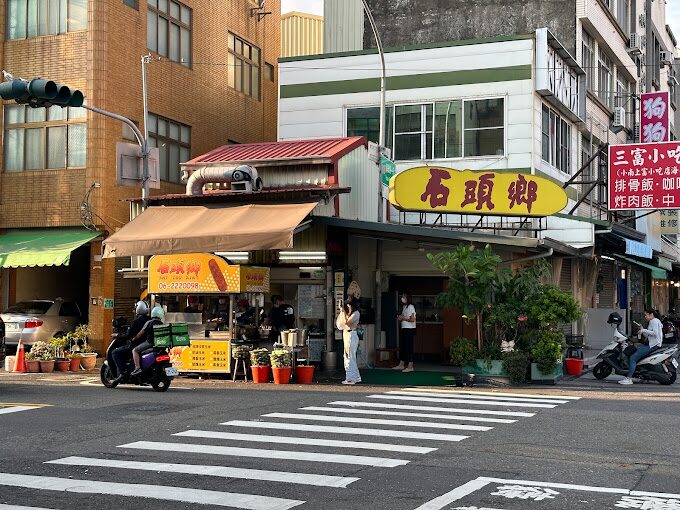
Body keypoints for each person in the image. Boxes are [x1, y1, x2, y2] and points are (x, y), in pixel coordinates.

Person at [619, 308, 663, 385]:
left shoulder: (654, 321)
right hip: (653, 343)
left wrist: (644, 330)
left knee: (633, 358)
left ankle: (629, 379)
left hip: (653, 344)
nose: (645, 316)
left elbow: (655, 333)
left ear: (651, 314)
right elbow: (648, 335)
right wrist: (642, 329)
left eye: (646, 315)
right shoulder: (655, 321)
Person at [112, 301, 150, 381]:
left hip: (136, 345)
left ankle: (123, 373)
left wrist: (118, 335)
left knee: (115, 352)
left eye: (136, 307)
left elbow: (129, 335)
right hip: (147, 345)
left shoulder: (137, 322)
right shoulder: (150, 320)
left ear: (138, 309)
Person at [130, 306, 165, 377]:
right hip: (160, 344)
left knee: (135, 350)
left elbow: (141, 333)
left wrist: (134, 338)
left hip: (150, 343)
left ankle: (137, 368)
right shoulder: (162, 324)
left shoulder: (149, 322)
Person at [336, 298, 361, 385]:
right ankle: (356, 377)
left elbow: (347, 323)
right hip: (347, 334)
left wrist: (342, 311)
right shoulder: (350, 313)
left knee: (349, 357)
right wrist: (343, 311)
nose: (347, 307)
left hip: (351, 335)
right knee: (349, 356)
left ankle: (350, 378)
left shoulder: (356, 313)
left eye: (348, 305)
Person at [393, 293, 417, 372]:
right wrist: (401, 317)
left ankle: (410, 366)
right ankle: (401, 364)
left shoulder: (411, 307)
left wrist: (403, 318)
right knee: (403, 347)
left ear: (407, 298)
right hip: (404, 328)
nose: (402, 298)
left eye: (404, 297)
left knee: (409, 347)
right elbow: (405, 317)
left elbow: (412, 319)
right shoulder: (405, 307)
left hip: (409, 329)